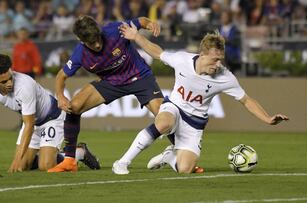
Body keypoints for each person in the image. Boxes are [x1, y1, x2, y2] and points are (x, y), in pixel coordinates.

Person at [112, 22, 289, 174]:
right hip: (173, 108)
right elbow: (157, 52)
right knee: (164, 123)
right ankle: (122, 162)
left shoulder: (225, 77)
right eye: (214, 59)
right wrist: (136, 36)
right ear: (203, 54)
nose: (218, 64)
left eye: (221, 59)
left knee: (185, 169)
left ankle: (169, 155)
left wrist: (268, 119)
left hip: (195, 124)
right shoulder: (182, 60)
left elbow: (246, 100)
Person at [47, 15, 164, 173]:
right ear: (80, 40)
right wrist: (60, 96)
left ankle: (178, 154)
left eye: (97, 38)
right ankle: (69, 159)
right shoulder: (80, 54)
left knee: (165, 115)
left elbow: (141, 21)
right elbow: (61, 76)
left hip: (139, 76)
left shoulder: (115, 30)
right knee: (73, 107)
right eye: (91, 42)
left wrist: (150, 23)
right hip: (111, 83)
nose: (97, 44)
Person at [0, 54, 100, 173]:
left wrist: (16, 159)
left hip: (52, 117)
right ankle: (46, 152)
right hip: (33, 121)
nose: (9, 83)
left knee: (45, 165)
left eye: (10, 78)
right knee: (22, 166)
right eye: (3, 82)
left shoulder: (24, 85)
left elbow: (28, 125)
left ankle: (78, 152)